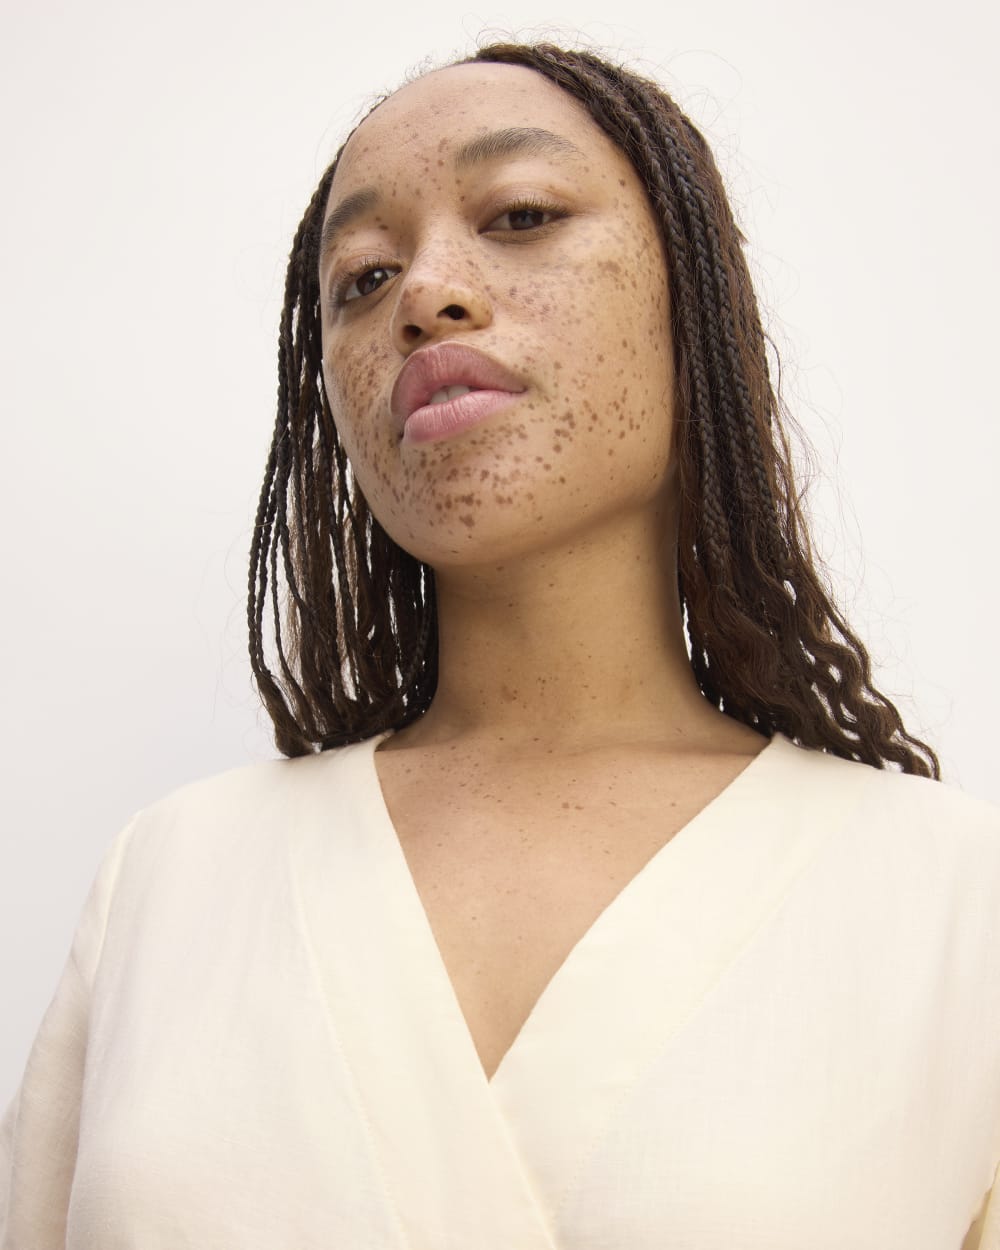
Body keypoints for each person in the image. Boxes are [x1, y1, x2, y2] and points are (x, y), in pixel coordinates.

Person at [2, 39, 999, 1250]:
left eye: (521, 215)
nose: (425, 293)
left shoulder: (955, 902)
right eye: (363, 277)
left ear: (691, 302)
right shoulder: (169, 883)